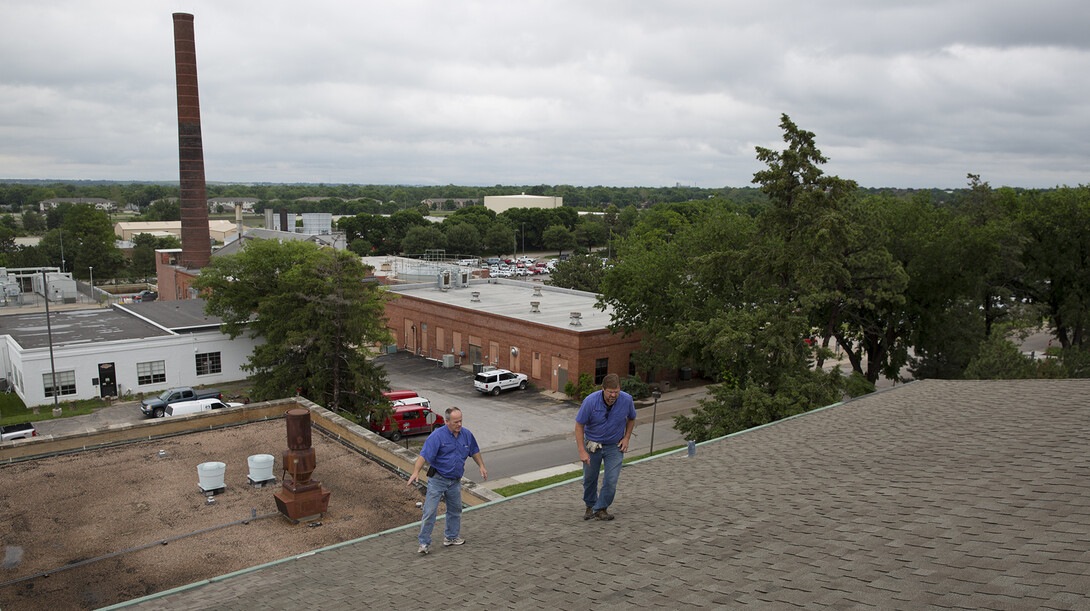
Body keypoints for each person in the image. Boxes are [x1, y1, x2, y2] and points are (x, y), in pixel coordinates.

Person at [407, 407, 487, 554]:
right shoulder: (437, 436)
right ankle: (424, 543)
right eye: (456, 422)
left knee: (455, 509)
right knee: (430, 512)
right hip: (438, 480)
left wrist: (481, 466)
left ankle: (451, 537)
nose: (459, 424)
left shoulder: (466, 435)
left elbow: (474, 451)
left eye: (461, 421)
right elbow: (423, 455)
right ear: (447, 421)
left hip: (455, 481)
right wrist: (415, 472)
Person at [574, 373, 636, 521]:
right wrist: (582, 451)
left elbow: (632, 418)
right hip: (593, 445)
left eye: (616, 392)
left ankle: (601, 508)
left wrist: (626, 438)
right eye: (610, 392)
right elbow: (579, 426)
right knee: (589, 479)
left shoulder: (626, 400)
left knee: (611, 480)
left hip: (614, 446)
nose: (613, 395)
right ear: (603, 389)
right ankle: (590, 506)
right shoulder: (590, 401)